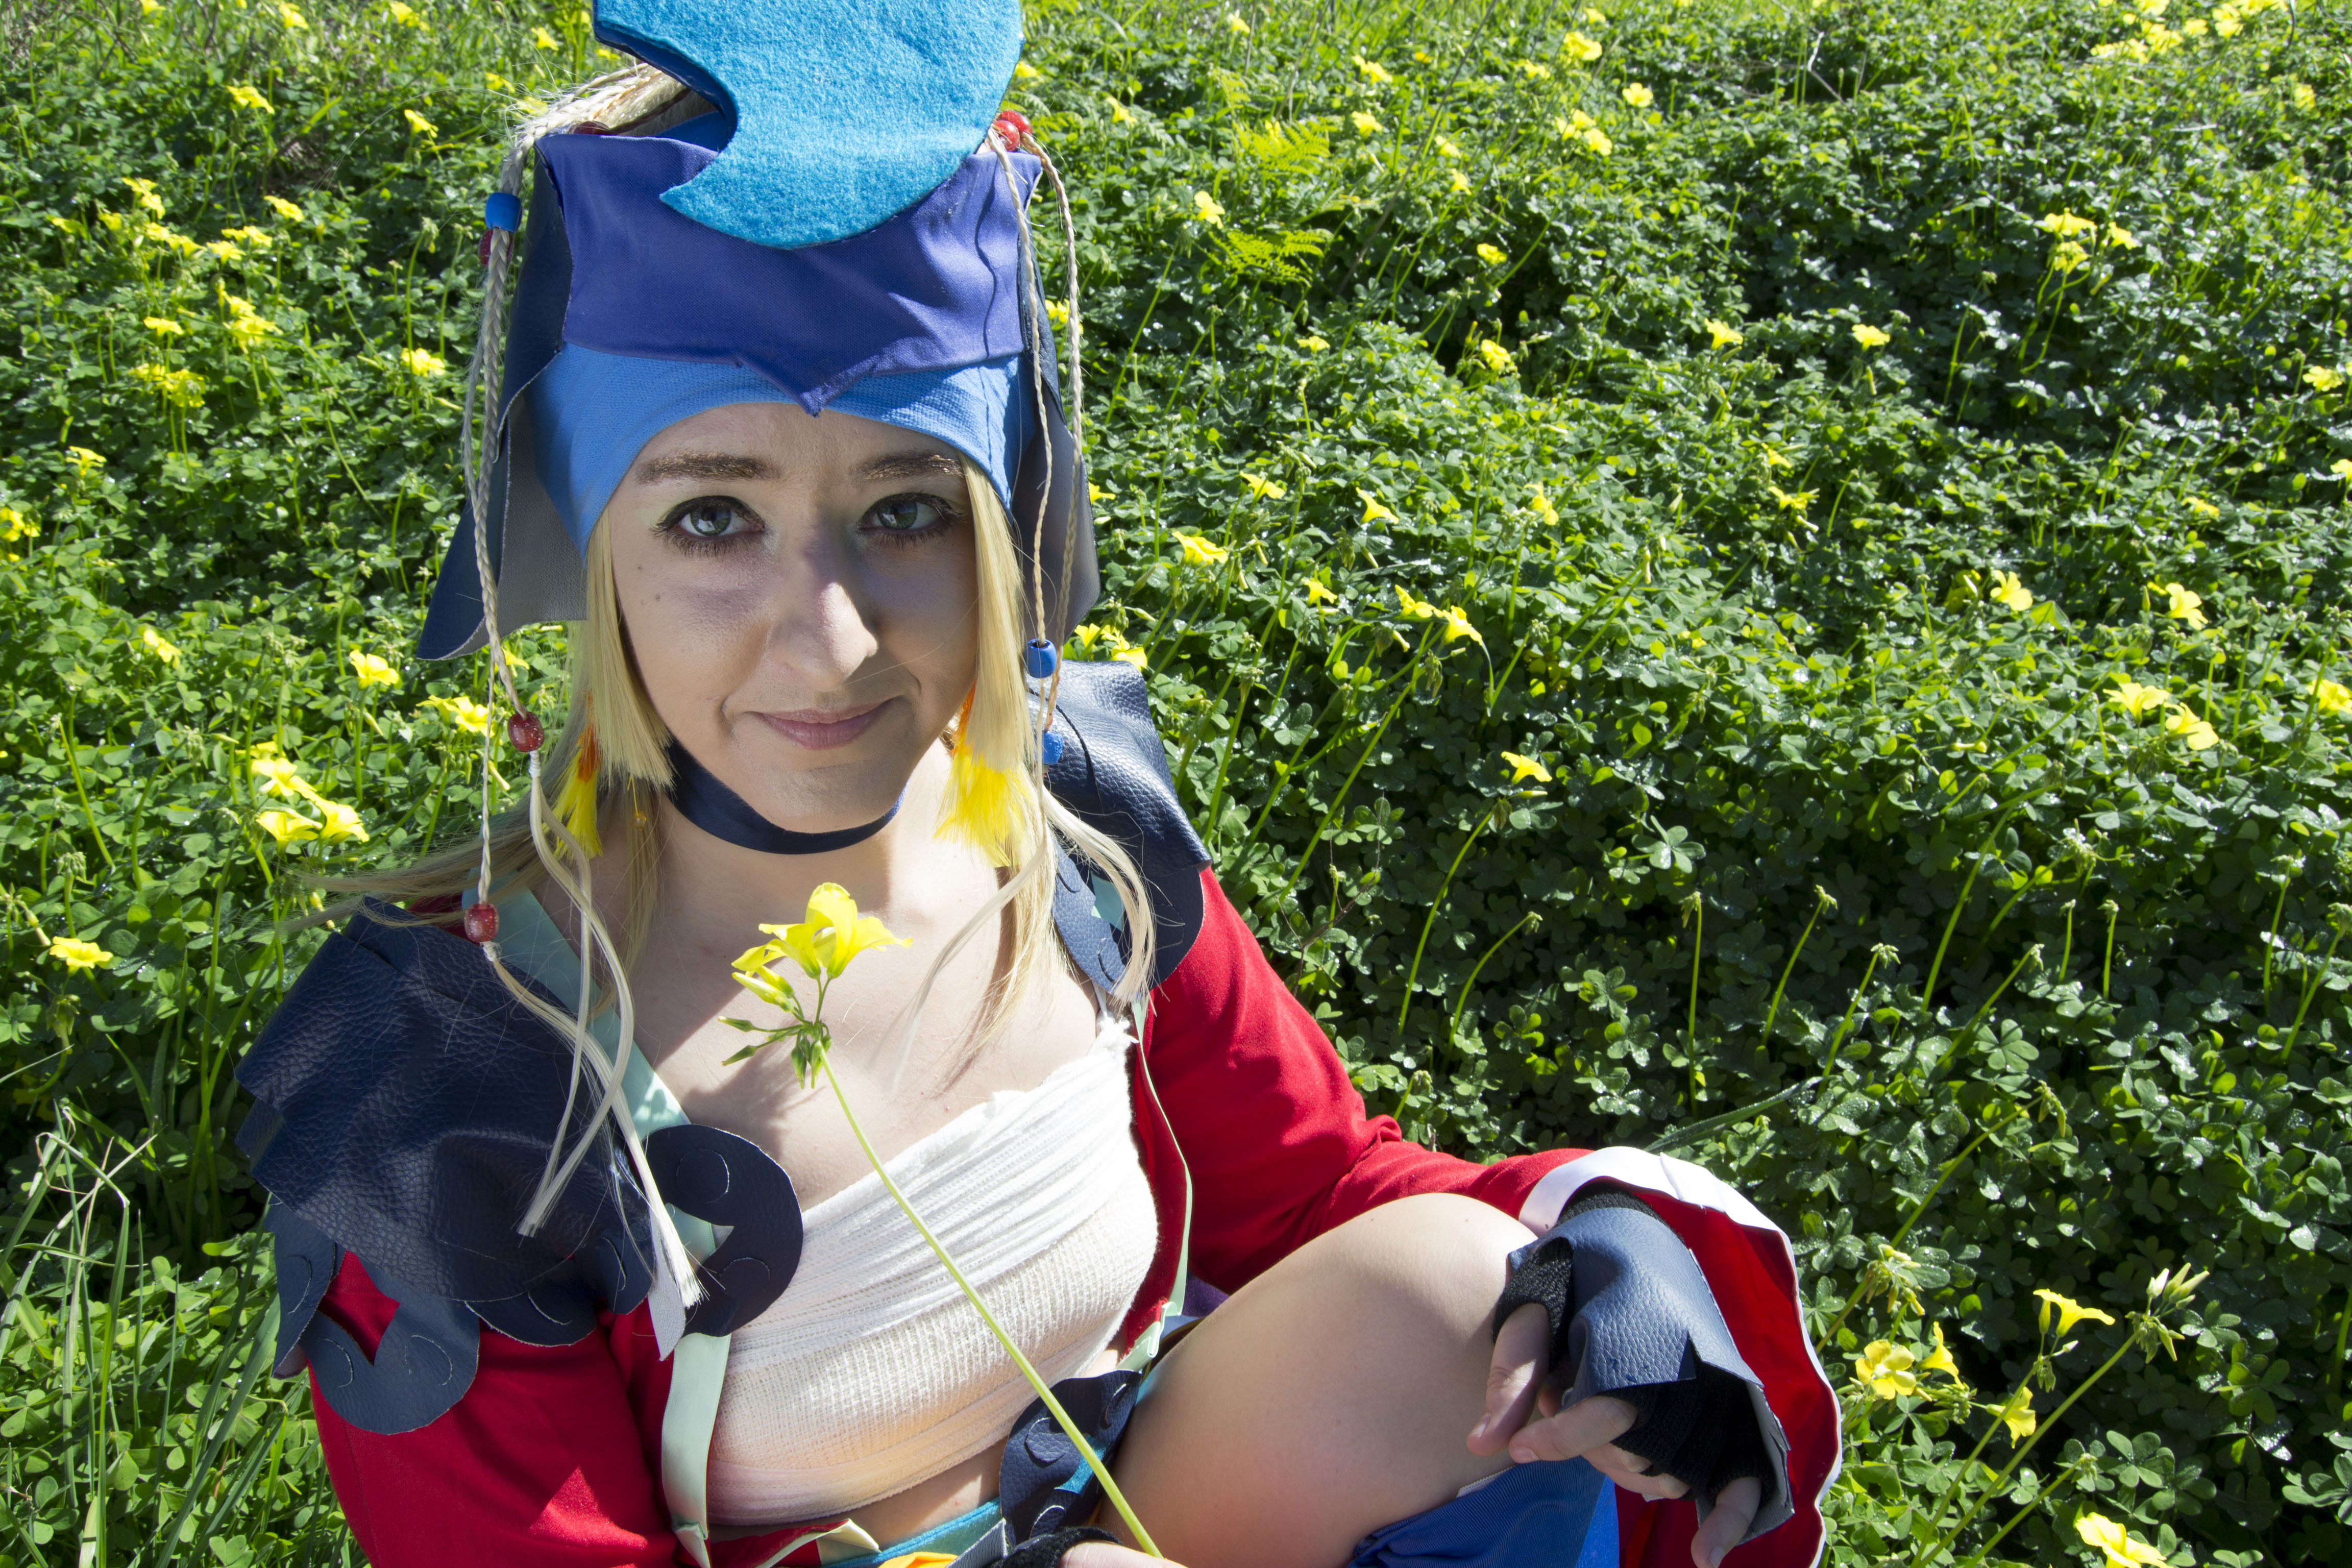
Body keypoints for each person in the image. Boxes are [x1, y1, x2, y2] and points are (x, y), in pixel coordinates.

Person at [235, 6, 1838, 1567]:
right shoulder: (449, 1080)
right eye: (712, 518)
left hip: (1152, 1499)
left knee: (1459, 1290)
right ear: (587, 545)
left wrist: (1596, 1251)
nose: (831, 643)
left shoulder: (1073, 837)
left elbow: (1320, 1195)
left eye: (908, 510)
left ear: (1007, 529)